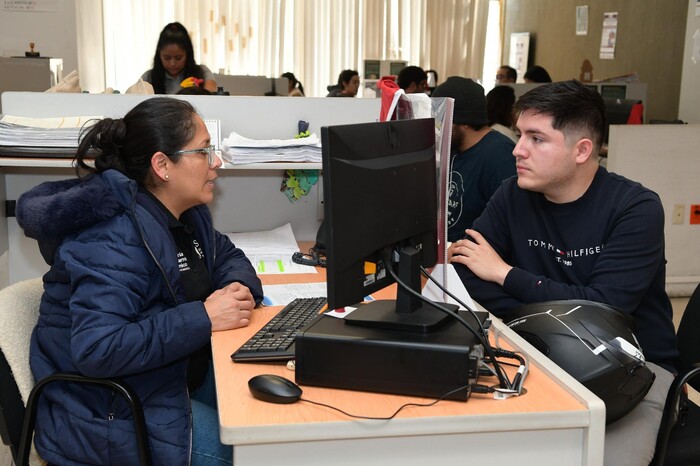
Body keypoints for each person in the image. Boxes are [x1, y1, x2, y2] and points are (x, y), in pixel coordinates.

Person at [15, 97, 264, 465]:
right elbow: (98, 349)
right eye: (204, 151)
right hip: (106, 415)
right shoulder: (112, 237)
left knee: (268, 419)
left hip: (164, 382)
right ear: (162, 165)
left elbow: (226, 256)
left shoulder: (185, 212)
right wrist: (204, 317)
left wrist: (237, 288)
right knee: (251, 451)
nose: (216, 162)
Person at [448, 80, 678, 466]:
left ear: (582, 151)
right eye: (520, 134)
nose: (518, 150)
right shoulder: (512, 194)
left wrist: (504, 274)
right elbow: (465, 274)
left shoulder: (635, 209)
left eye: (536, 138)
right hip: (535, 347)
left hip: (632, 366)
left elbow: (606, 310)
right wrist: (549, 312)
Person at [431, 76, 516, 243]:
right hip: (445, 252)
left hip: (470, 259)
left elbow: (509, 226)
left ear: (464, 122)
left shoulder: (500, 157)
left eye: (441, 121)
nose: (437, 128)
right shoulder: (453, 146)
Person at [142, 22, 217, 94]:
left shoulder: (202, 72)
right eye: (167, 58)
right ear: (159, 55)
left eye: (178, 58)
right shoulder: (148, 77)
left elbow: (211, 95)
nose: (172, 63)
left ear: (187, 53)